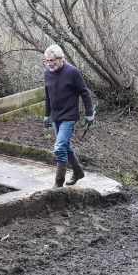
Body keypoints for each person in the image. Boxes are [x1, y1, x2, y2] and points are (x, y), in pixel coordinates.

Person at [42, 44, 95, 188]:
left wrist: (89, 114)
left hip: (69, 116)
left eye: (52, 60)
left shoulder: (72, 72)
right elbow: (48, 95)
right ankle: (78, 172)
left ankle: (58, 183)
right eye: (47, 61)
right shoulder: (48, 73)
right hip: (55, 116)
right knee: (65, 146)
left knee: (59, 147)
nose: (50, 63)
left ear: (61, 58)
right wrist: (47, 114)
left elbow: (84, 92)